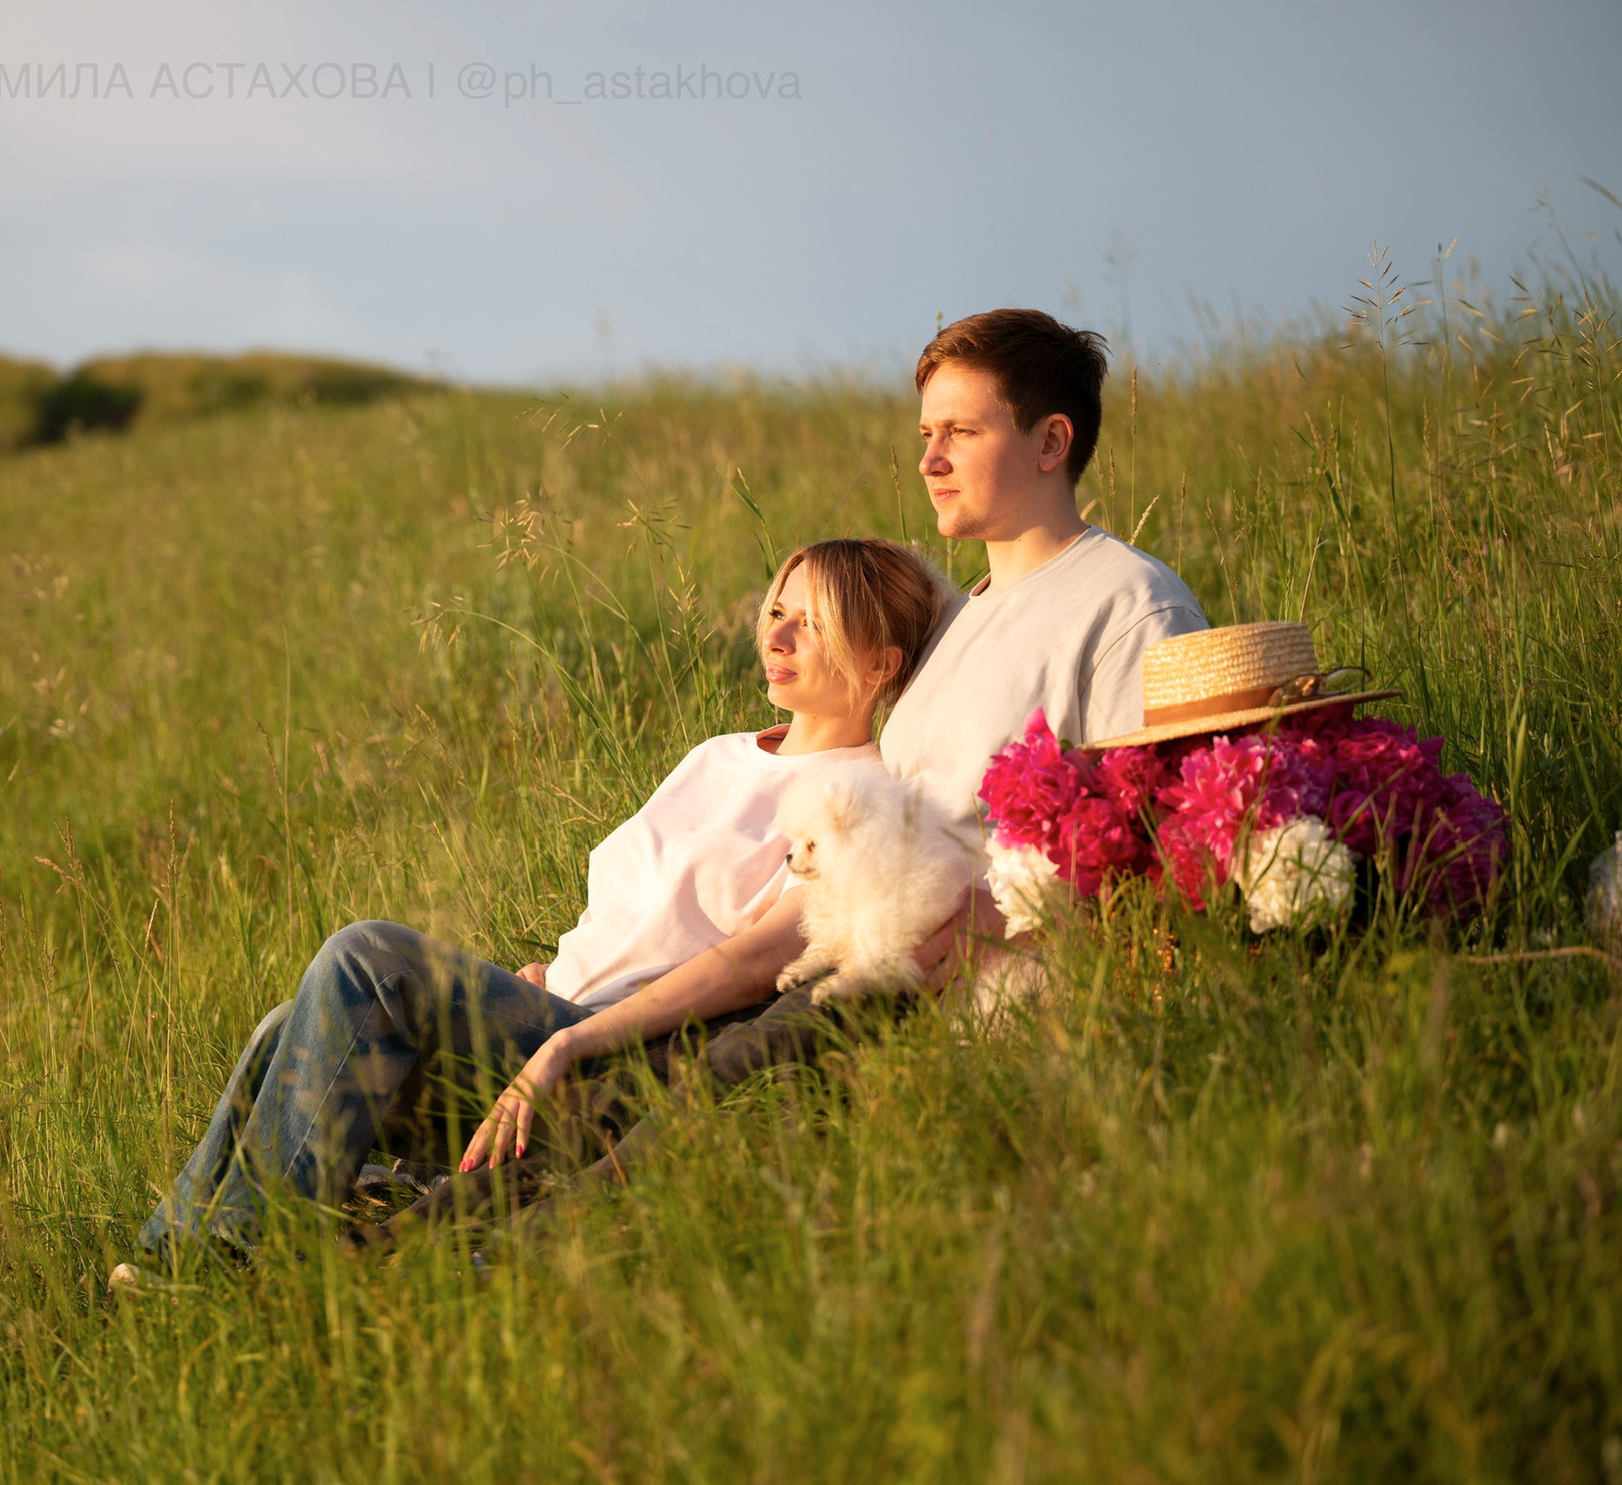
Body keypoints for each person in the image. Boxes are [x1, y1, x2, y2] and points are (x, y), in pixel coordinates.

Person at [365, 307, 1212, 1246]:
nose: (929, 459)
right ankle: (396, 1242)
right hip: (842, 960)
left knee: (657, 1139)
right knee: (627, 1108)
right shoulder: (961, 621)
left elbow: (1165, 838)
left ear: (1052, 440)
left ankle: (466, 1260)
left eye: (961, 432)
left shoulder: (1128, 603)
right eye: (924, 434)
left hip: (956, 993)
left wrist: (991, 917)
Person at [117, 538, 953, 1269]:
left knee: (368, 958)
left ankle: (238, 1252)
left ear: (878, 661)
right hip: (554, 1009)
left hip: (615, 1054)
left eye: (807, 623)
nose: (774, 635)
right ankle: (176, 1264)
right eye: (776, 610)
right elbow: (634, 910)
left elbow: (748, 966)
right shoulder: (720, 753)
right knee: (284, 1024)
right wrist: (545, 977)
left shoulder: (861, 799)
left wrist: (566, 1042)